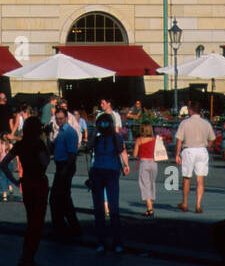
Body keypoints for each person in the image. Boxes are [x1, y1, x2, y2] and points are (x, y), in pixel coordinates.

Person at [2, 118, 51, 266]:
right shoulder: (38, 144)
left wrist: (15, 181)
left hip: (26, 182)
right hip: (39, 182)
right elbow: (45, 162)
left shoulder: (21, 144)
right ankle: (29, 258)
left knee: (31, 221)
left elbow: (4, 163)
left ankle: (26, 257)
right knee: (37, 222)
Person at [88, 112, 129, 252]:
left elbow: (120, 150)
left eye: (106, 123)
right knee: (99, 209)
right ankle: (103, 241)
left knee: (113, 208)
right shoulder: (97, 138)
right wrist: (94, 135)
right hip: (99, 171)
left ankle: (116, 241)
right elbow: (88, 148)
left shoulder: (116, 137)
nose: (104, 126)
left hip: (110, 171)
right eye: (101, 123)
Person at [175, 101, 215, 213]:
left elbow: (179, 140)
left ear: (191, 110)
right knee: (200, 179)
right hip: (202, 151)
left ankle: (185, 203)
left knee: (187, 178)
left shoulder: (185, 123)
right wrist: (207, 146)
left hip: (189, 150)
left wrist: (177, 154)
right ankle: (198, 205)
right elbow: (212, 138)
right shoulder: (206, 123)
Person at [49, 107, 80, 239]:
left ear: (67, 118)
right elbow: (52, 147)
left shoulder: (70, 132)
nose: (59, 121)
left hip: (66, 166)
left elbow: (72, 154)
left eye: (61, 119)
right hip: (61, 166)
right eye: (57, 119)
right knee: (62, 198)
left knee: (57, 198)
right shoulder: (60, 132)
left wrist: (65, 170)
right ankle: (68, 227)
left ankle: (65, 227)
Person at [132, 121, 158, 216]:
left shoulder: (139, 140)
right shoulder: (155, 140)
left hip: (144, 162)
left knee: (144, 184)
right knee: (152, 183)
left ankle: (150, 208)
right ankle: (151, 202)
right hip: (154, 163)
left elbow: (135, 154)